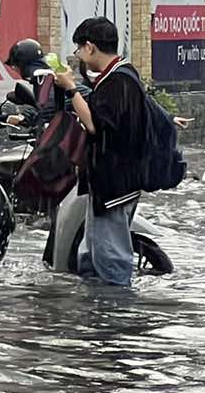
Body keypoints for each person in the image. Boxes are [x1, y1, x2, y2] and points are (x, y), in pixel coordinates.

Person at [51, 16, 147, 287]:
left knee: (110, 258)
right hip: (105, 183)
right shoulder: (119, 77)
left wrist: (70, 89)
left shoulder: (118, 81)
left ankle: (114, 319)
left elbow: (94, 123)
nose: (78, 55)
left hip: (115, 185)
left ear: (90, 47)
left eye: (79, 49)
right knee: (90, 256)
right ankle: (97, 317)